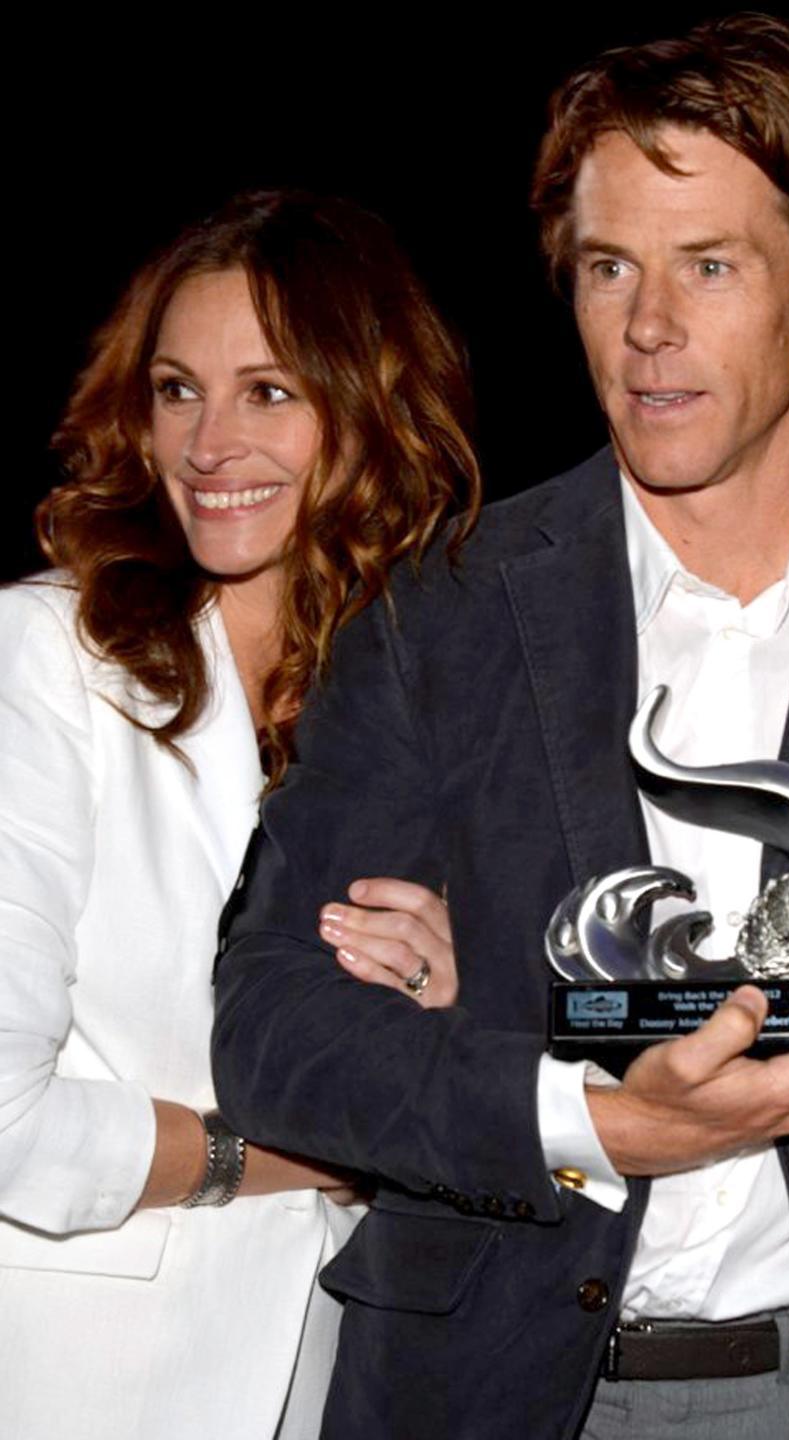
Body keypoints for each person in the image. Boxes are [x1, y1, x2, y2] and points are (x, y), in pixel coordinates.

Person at [212, 18, 789, 1440]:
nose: (648, 328)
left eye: (711, 265)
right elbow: (274, 1036)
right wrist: (593, 1121)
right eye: (609, 267)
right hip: (481, 1389)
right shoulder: (442, 609)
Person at [0, 191, 477, 1440]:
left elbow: (499, 1106)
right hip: (77, 1386)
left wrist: (449, 1000)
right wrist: (309, 1151)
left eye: (268, 392)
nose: (208, 443)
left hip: (335, 1376)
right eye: (176, 390)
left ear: (368, 414)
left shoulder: (427, 703)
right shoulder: (46, 657)